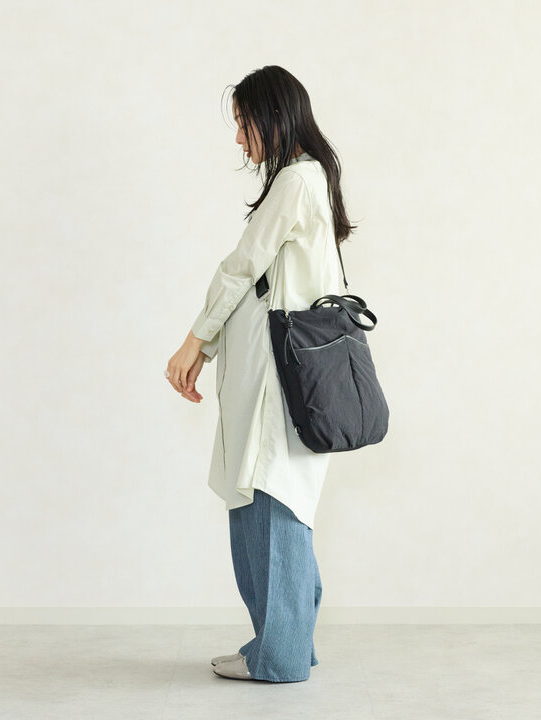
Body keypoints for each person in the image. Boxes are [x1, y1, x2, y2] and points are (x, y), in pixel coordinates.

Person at [165, 65, 357, 682]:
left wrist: (194, 343)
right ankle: (278, 645)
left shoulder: (297, 180)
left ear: (273, 118)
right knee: (264, 504)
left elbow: (242, 267)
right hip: (272, 375)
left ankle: (279, 655)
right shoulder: (305, 179)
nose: (239, 139)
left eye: (244, 124)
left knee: (275, 507)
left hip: (280, 379)